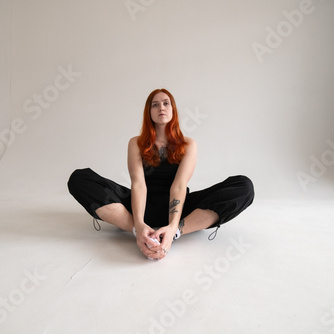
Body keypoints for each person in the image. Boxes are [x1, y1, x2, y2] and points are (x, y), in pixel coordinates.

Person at [68, 88, 254, 260]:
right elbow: (138, 183)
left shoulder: (188, 144)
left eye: (166, 103)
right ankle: (137, 230)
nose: (161, 108)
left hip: (180, 209)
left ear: (173, 109)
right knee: (79, 178)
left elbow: (179, 185)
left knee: (244, 186)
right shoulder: (136, 143)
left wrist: (173, 227)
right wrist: (139, 225)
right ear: (148, 112)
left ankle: (177, 231)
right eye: (155, 104)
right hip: (139, 206)